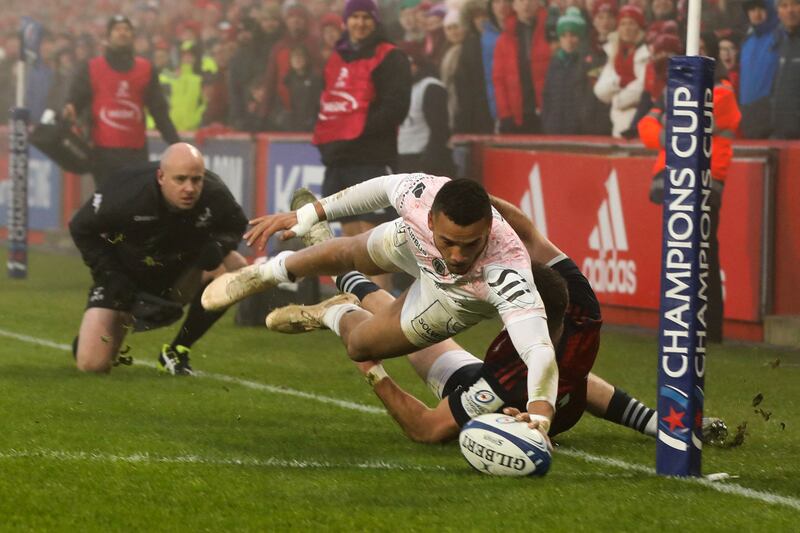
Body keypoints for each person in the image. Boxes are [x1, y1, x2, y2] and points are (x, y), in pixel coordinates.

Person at [203, 176, 561, 439]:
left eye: (471, 244)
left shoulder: (507, 271)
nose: (457, 255)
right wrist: (312, 212)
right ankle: (266, 273)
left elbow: (538, 348)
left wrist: (539, 415)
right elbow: (381, 188)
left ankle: (334, 312)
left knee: (361, 346)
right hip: (413, 244)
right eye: (450, 241)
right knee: (350, 251)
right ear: (431, 219)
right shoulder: (421, 197)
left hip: (451, 298)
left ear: (489, 228)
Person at [69, 143, 248, 375]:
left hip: (177, 275)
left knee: (237, 269)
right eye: (180, 179)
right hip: (125, 273)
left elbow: (236, 225)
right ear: (161, 177)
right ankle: (105, 327)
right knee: (92, 365)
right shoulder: (126, 191)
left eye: (196, 180)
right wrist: (109, 272)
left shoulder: (214, 193)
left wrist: (219, 246)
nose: (189, 188)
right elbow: (80, 227)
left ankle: (177, 350)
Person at [638, 42, 741, 343]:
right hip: (680, 175)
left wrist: (665, 124)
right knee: (683, 251)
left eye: (702, 47)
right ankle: (686, 324)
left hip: (706, 178)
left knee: (702, 251)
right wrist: (669, 128)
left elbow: (689, 123)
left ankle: (709, 328)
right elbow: (645, 127)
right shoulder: (679, 89)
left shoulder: (722, 91)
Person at [312, 0, 412, 289]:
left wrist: (356, 130)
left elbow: (396, 108)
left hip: (372, 159)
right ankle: (366, 308)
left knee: (375, 244)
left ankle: (383, 311)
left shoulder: (392, 57)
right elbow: (326, 104)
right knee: (352, 241)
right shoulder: (336, 57)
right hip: (339, 160)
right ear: (345, 22)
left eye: (366, 17)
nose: (360, 23)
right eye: (354, 17)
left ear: (376, 21)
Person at [62, 15, 180, 188]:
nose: (122, 33)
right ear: (108, 36)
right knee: (109, 201)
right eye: (117, 29)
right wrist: (70, 108)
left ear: (132, 36)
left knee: (135, 200)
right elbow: (75, 101)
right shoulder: (92, 68)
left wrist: (176, 144)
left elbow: (159, 111)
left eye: (126, 29)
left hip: (136, 152)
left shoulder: (146, 69)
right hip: (103, 153)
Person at [492, 0, 552, 134]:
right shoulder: (504, 40)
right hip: (518, 114)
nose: (526, 4)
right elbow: (499, 80)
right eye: (520, 1)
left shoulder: (550, 31)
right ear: (514, 5)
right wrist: (505, 113)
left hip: (547, 111)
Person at [593, 4, 649, 137]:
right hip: (617, 120)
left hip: (640, 119)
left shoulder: (646, 52)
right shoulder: (613, 52)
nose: (626, 28)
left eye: (631, 23)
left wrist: (618, 100)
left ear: (639, 27)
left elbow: (644, 87)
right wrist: (620, 82)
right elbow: (600, 91)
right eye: (623, 24)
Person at [738, 0, 779, 138]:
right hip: (747, 110)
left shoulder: (779, 37)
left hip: (771, 110)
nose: (756, 14)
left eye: (761, 8)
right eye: (752, 9)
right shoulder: (746, 41)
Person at [770, 0, 800, 139]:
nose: (790, 10)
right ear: (778, 12)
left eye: (795, 4)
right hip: (781, 133)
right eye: (784, 5)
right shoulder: (778, 42)